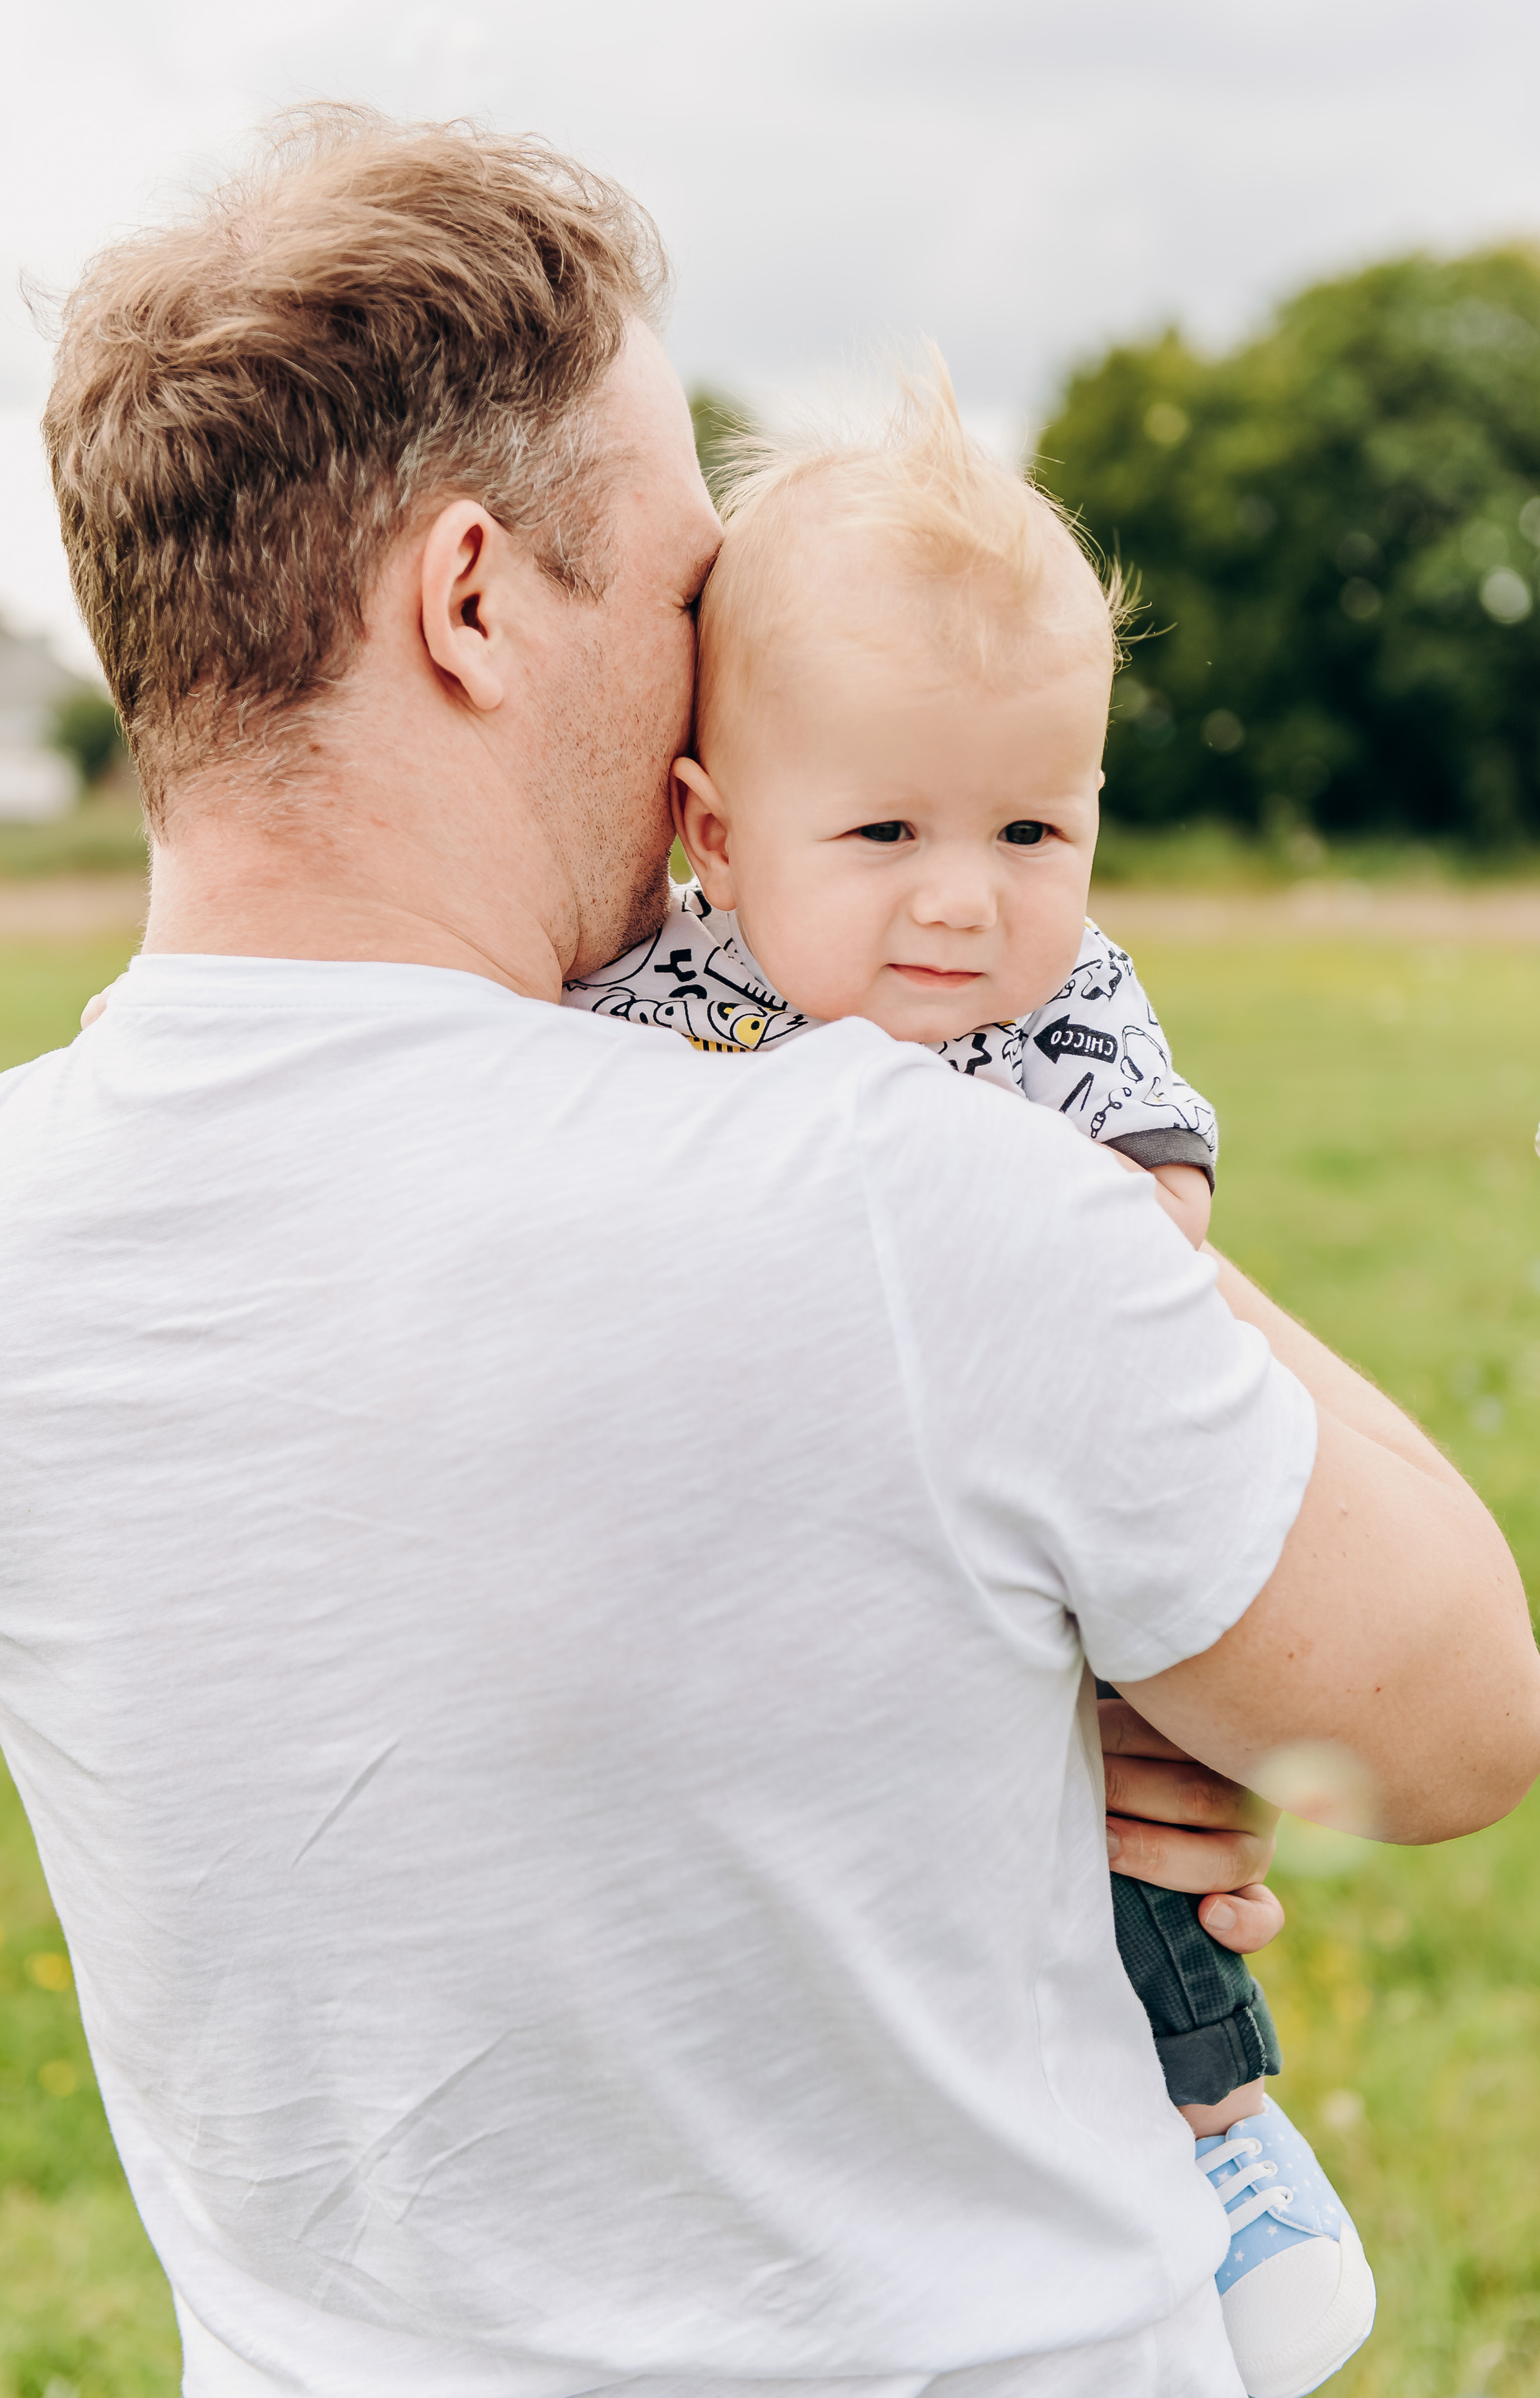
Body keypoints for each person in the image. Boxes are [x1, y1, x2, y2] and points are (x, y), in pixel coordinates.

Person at [0, 108, 1535, 2398]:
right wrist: (1049, 1172)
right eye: (688, 593)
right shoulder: (897, 1187)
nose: (718, 672)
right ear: (473, 601)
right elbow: (1463, 1706)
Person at [555, 370, 1356, 2396]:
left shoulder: (1066, 1005)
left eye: (1033, 827)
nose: (962, 895)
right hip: (782, 1575)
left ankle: (1219, 2142)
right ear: (719, 835)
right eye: (888, 829)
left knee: (1143, 1841)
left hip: (1042, 1560)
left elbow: (1160, 1206)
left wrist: (1069, 1232)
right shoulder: (659, 1002)